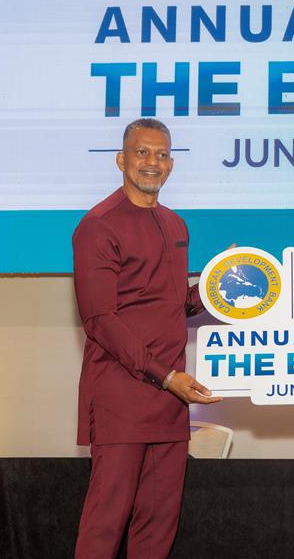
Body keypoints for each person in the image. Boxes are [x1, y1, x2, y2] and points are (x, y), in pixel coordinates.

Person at [72, 118, 222, 558]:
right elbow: (100, 320)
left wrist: (224, 288)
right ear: (121, 160)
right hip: (123, 396)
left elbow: (176, 303)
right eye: (141, 152)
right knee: (106, 522)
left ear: (171, 165)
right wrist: (166, 375)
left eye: (160, 154)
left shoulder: (176, 225)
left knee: (158, 527)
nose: (151, 162)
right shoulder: (98, 226)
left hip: (170, 401)